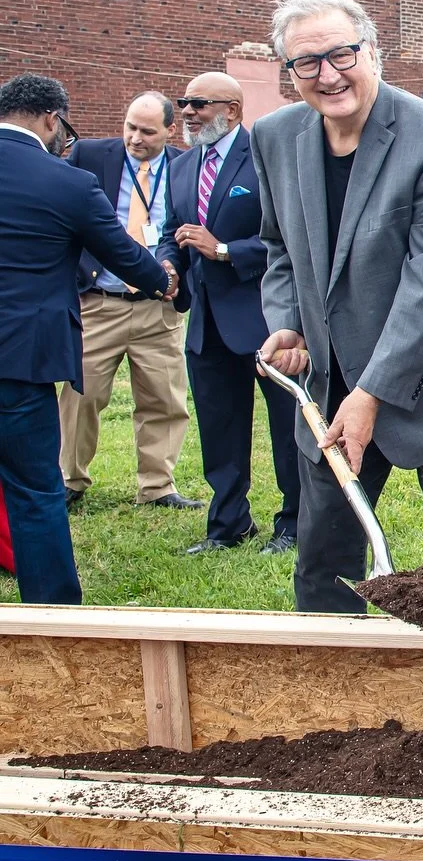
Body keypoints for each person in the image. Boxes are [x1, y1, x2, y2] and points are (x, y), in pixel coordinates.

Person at [253, 0, 423, 615]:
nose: (327, 75)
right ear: (289, 72)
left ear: (371, 51)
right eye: (306, 62)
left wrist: (371, 393)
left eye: (341, 54)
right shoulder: (273, 137)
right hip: (331, 387)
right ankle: (336, 669)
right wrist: (289, 324)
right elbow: (279, 248)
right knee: (324, 557)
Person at [0, 74, 173, 603]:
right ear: (51, 119)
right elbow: (124, 255)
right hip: (18, 360)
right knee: (34, 491)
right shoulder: (67, 182)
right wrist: (162, 278)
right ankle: (53, 614)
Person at [158, 72, 301, 556]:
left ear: (233, 110)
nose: (188, 112)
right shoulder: (181, 166)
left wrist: (224, 250)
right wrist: (169, 268)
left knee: (288, 427)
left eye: (199, 103)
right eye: (184, 102)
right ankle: (228, 525)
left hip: (267, 319)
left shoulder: (264, 157)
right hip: (206, 324)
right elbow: (172, 233)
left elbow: (290, 238)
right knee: (219, 428)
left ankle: (295, 524)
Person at [61, 91, 202, 512]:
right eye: (130, 127)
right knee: (80, 395)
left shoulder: (184, 166)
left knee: (164, 399)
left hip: (159, 306)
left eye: (147, 131)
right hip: (99, 301)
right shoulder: (89, 155)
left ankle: (158, 486)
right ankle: (69, 479)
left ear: (169, 130)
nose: (136, 138)